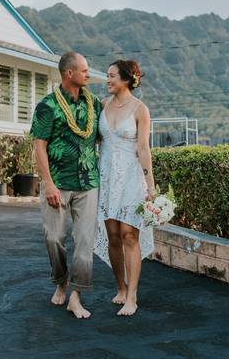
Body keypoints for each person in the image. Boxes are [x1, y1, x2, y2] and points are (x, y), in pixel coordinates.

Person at [31, 51, 102, 319]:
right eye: (84, 70)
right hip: (58, 182)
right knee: (54, 238)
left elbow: (108, 133)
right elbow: (39, 146)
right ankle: (60, 281)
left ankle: (75, 295)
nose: (88, 74)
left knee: (85, 241)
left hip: (88, 182)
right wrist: (48, 184)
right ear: (69, 73)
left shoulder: (94, 104)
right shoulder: (47, 106)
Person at [93, 59, 154, 316]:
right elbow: (94, 139)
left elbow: (143, 148)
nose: (107, 80)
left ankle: (132, 296)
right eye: (107, 76)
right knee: (113, 235)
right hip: (106, 176)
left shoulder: (140, 109)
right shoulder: (102, 105)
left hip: (130, 177)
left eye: (112, 76)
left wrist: (150, 185)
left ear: (127, 79)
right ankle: (120, 287)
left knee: (130, 233)